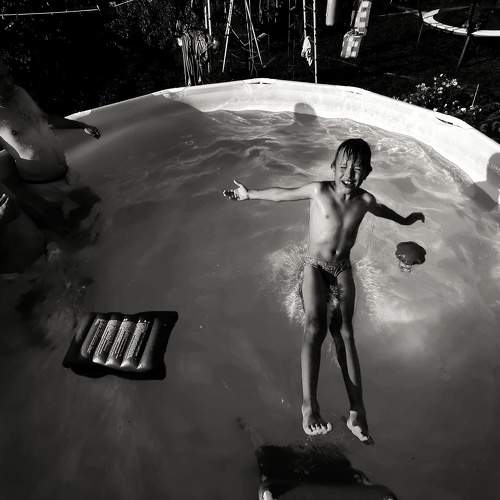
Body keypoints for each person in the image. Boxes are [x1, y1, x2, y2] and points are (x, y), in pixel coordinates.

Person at [223, 138, 424, 441]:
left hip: (341, 269)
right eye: (343, 166)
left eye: (357, 169)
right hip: (314, 267)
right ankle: (309, 406)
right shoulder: (318, 191)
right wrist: (249, 193)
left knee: (345, 332)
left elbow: (384, 211)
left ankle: (357, 411)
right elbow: (282, 194)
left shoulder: (365, 201)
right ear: (333, 167)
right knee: (315, 326)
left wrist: (405, 220)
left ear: (367, 172)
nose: (349, 174)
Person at [0, 61, 101, 230]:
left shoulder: (20, 93)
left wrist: (82, 126)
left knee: (97, 207)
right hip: (41, 188)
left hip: (66, 174)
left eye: (8, 75)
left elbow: (45, 119)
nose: (9, 82)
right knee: (68, 234)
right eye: (0, 78)